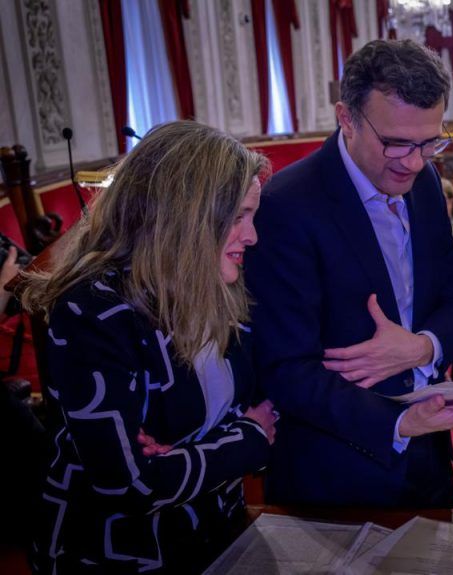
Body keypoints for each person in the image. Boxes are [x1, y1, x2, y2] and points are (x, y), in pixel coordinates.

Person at [244, 39, 453, 509]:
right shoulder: (286, 206)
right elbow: (285, 369)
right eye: (395, 143)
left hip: (428, 465)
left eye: (429, 142)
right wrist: (395, 423)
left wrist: (422, 347)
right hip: (334, 477)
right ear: (346, 118)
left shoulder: (425, 182)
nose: (413, 161)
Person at [20, 120, 278, 573]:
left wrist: (182, 453)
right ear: (184, 216)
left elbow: (264, 396)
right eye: (237, 217)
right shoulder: (93, 310)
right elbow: (128, 486)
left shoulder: (224, 286)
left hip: (216, 532)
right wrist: (248, 440)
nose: (252, 235)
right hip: (120, 554)